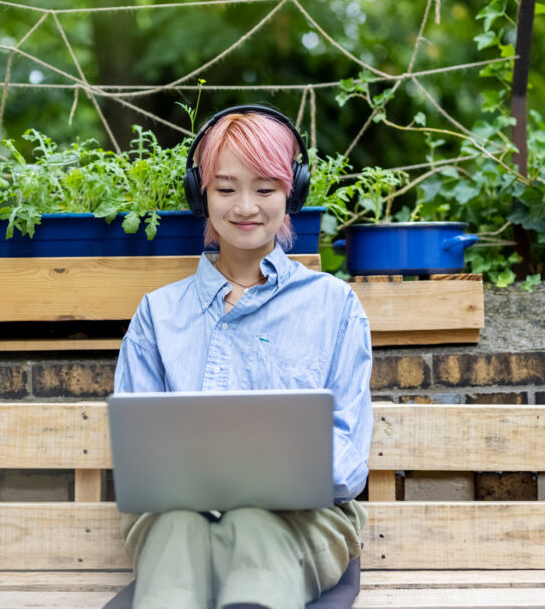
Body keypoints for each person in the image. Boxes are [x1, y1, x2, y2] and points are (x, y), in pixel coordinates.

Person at [113, 104, 373, 609]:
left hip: (301, 518)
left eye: (265, 188)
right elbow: (138, 460)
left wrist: (276, 475)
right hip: (177, 516)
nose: (245, 206)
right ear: (200, 196)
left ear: (291, 193)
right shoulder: (157, 314)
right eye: (226, 189)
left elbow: (349, 460)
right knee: (178, 531)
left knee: (255, 526)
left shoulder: (333, 305)